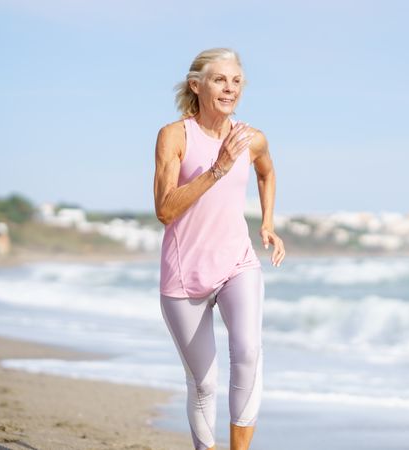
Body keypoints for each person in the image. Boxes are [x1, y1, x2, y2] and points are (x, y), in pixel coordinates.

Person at [153, 47, 285, 450]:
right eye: (220, 80)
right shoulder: (175, 135)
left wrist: (267, 222)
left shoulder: (252, 138)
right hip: (184, 271)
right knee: (204, 382)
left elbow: (266, 172)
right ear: (197, 85)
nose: (230, 88)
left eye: (237, 81)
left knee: (248, 352)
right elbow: (164, 209)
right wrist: (218, 169)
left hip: (237, 262)